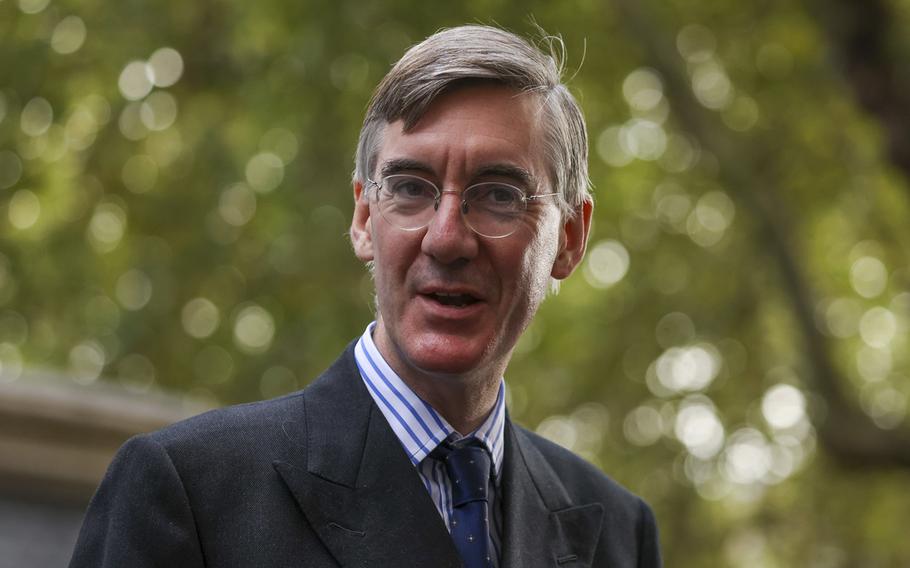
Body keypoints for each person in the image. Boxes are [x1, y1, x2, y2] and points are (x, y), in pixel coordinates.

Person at [70, 25, 661, 567]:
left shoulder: (619, 535)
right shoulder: (190, 493)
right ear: (362, 217)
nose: (447, 238)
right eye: (410, 188)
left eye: (499, 195)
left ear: (571, 237)